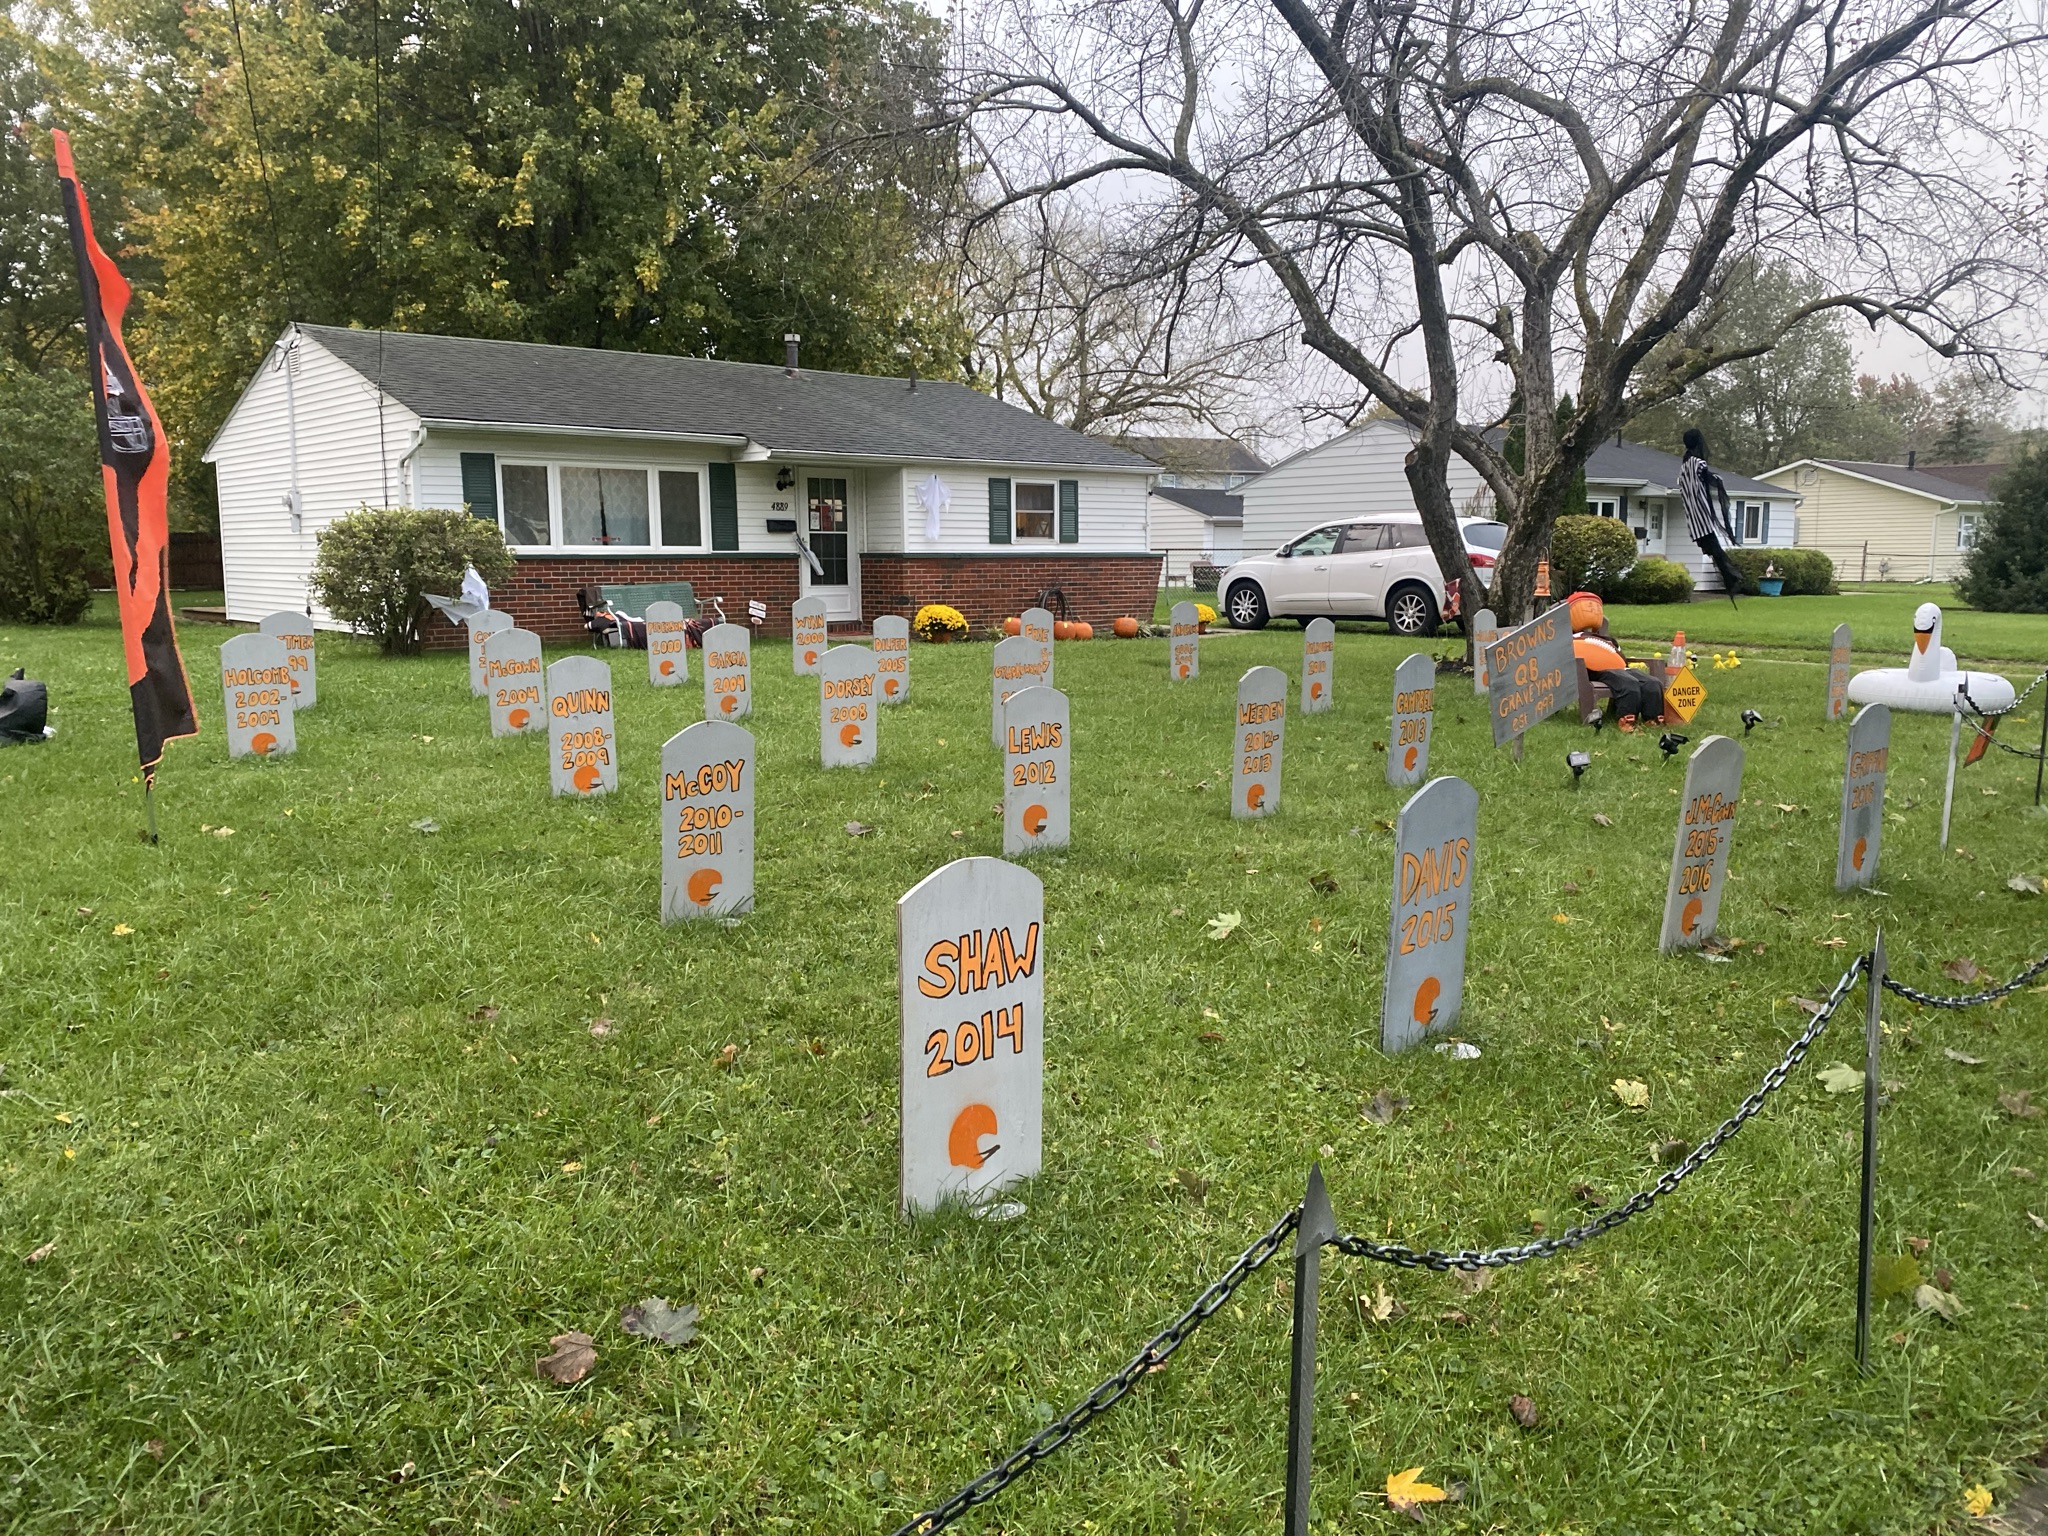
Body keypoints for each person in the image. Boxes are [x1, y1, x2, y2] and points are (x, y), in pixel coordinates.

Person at [1678, 427, 1743, 606]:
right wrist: (1718, 481)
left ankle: (1731, 578)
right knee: (1716, 551)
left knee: (1714, 550)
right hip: (1701, 516)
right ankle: (1732, 579)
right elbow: (1709, 479)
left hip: (1693, 519)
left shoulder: (1684, 465)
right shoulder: (1698, 463)